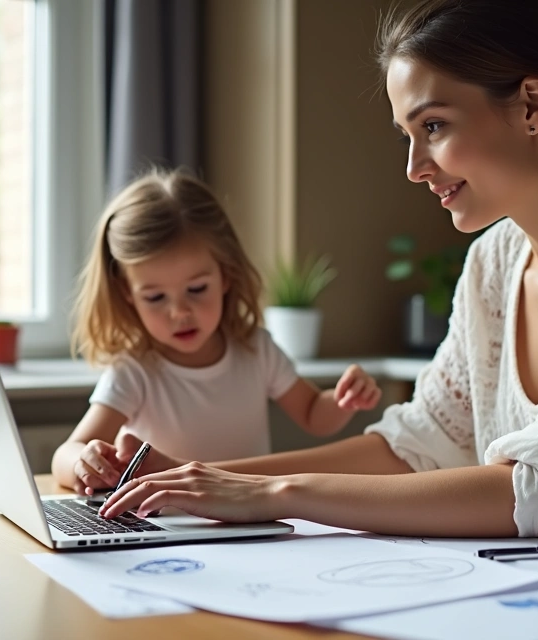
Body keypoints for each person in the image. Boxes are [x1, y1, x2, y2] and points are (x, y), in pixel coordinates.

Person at [99, 0, 538, 566]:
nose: (413, 166)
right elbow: (416, 445)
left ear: (531, 105)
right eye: (408, 132)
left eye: (432, 126)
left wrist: (272, 491)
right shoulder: (495, 262)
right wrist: (208, 480)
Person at [52, 168, 383, 498]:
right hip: (169, 524)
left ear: (226, 275)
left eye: (196, 289)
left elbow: (314, 416)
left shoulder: (257, 349)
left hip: (250, 517)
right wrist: (83, 461)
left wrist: (344, 401)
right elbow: (66, 453)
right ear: (128, 293)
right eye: (155, 297)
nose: (180, 312)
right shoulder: (135, 370)